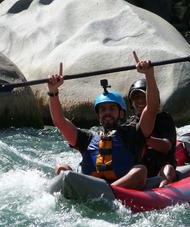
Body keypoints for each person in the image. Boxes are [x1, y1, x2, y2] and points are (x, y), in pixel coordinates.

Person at [48, 52, 159, 190]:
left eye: (112, 108)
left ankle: (107, 190)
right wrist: (53, 92)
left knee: (140, 171)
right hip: (89, 188)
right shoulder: (87, 138)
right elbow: (60, 122)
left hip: (120, 190)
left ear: (121, 113)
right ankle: (91, 191)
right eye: (103, 110)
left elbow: (152, 108)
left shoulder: (133, 133)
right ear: (98, 115)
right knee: (61, 167)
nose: (107, 112)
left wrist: (149, 74)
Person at [126, 78, 177, 188]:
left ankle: (163, 191)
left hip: (161, 167)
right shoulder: (130, 123)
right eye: (136, 97)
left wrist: (145, 138)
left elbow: (166, 146)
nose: (140, 100)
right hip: (140, 170)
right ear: (131, 103)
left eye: (144, 96)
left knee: (168, 169)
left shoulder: (164, 119)